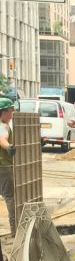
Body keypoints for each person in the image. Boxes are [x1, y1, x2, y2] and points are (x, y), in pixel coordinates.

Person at [0, 98, 16, 240]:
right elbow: (2, 139)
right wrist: (9, 147)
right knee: (10, 198)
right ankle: (15, 231)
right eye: (10, 110)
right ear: (3, 112)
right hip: (3, 167)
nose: (12, 113)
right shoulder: (3, 126)